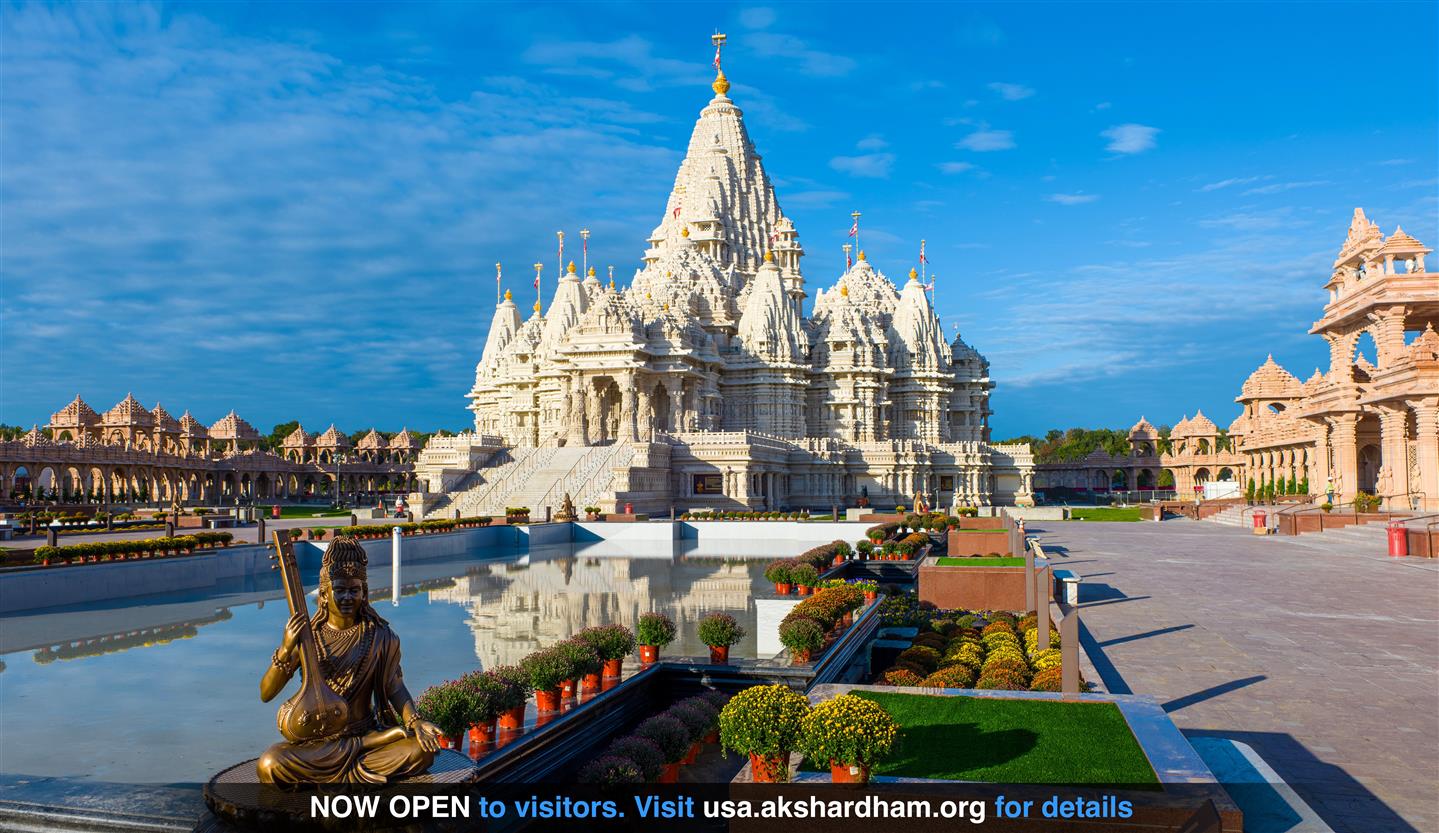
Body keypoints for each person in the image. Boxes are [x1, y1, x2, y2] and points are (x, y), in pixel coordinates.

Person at [256, 537, 439, 784]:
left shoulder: (381, 636)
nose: (347, 597)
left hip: (366, 735)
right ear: (323, 594)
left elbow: (394, 687)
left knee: (420, 752)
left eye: (354, 590)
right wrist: (286, 648)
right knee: (270, 763)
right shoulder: (309, 639)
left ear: (364, 593)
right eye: (339, 590)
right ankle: (354, 771)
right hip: (320, 744)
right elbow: (266, 693)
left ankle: (342, 769)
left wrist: (415, 722)